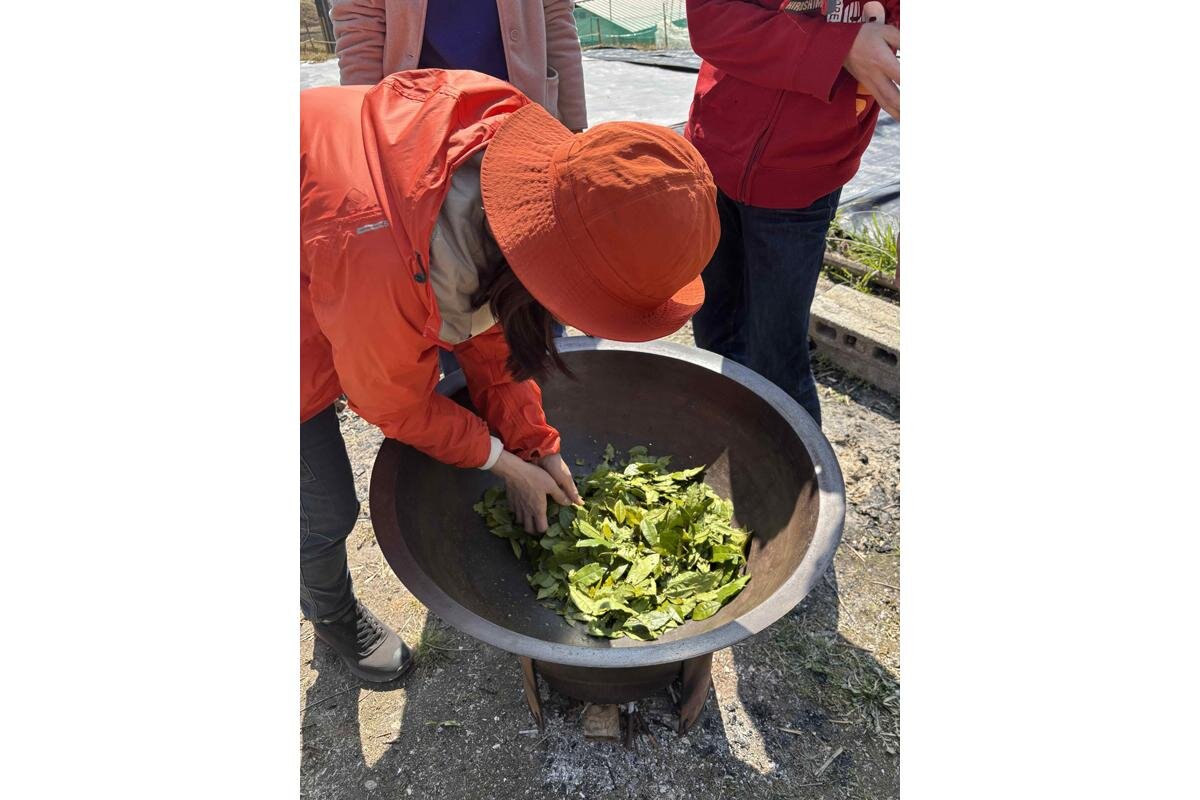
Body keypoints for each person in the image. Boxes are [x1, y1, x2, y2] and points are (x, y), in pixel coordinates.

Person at [300, 69, 720, 682]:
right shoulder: (383, 255)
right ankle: (330, 611)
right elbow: (392, 404)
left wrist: (535, 445)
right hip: (321, 262)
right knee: (323, 506)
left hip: (337, 251)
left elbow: (493, 326)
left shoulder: (516, 177)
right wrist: (502, 463)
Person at [329, 0, 588, 372]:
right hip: (420, 132)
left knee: (532, 266)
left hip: (521, 122)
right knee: (445, 270)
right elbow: (360, 23)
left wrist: (572, 124)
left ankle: (544, 391)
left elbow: (555, 14)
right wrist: (367, 126)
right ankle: (463, 391)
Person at [684, 0, 900, 426]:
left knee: (777, 357)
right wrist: (838, 47)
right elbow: (710, 19)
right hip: (714, 155)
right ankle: (724, 433)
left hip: (805, 180)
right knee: (712, 324)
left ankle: (793, 480)